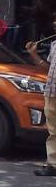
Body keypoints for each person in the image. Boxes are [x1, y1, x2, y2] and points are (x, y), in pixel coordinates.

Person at [26, 28, 56, 176]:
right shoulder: (54, 44)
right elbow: (49, 68)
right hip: (51, 93)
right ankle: (53, 165)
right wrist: (34, 54)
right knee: (53, 131)